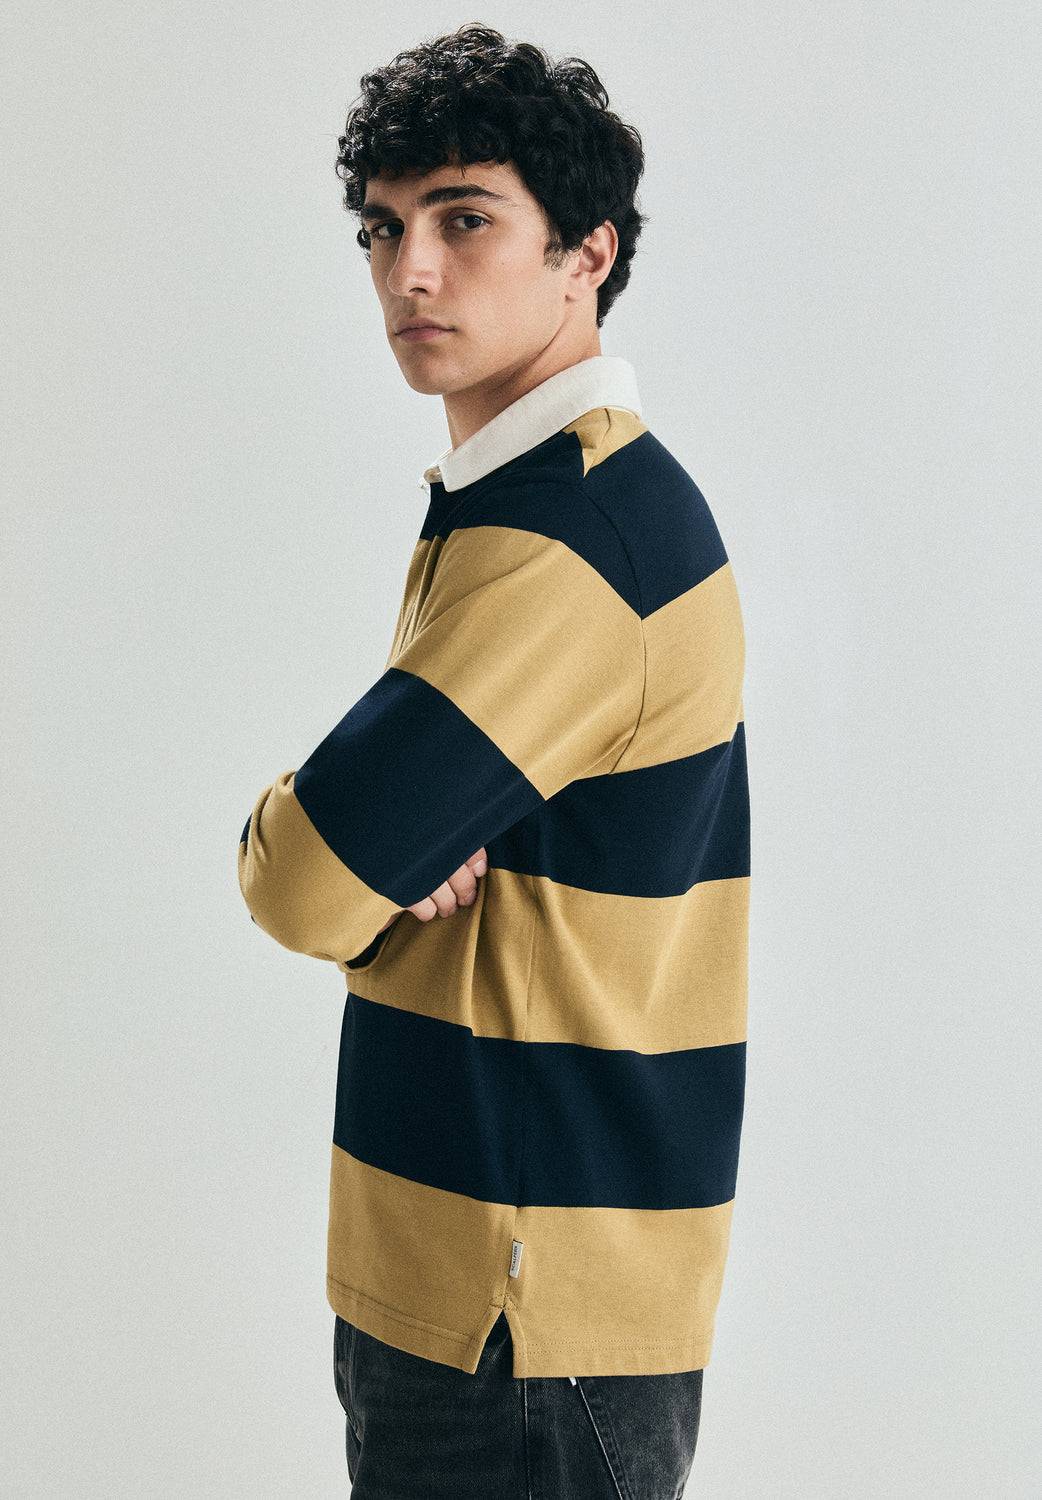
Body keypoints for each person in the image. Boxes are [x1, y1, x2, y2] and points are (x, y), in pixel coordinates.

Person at [239, 23, 749, 1497]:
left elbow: (302, 880)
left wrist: (331, 852)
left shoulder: (572, 540)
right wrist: (383, 860)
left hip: (519, 1308)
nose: (410, 271)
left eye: (464, 221)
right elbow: (363, 860)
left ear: (586, 253)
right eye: (382, 228)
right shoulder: (527, 504)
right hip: (495, 1275)